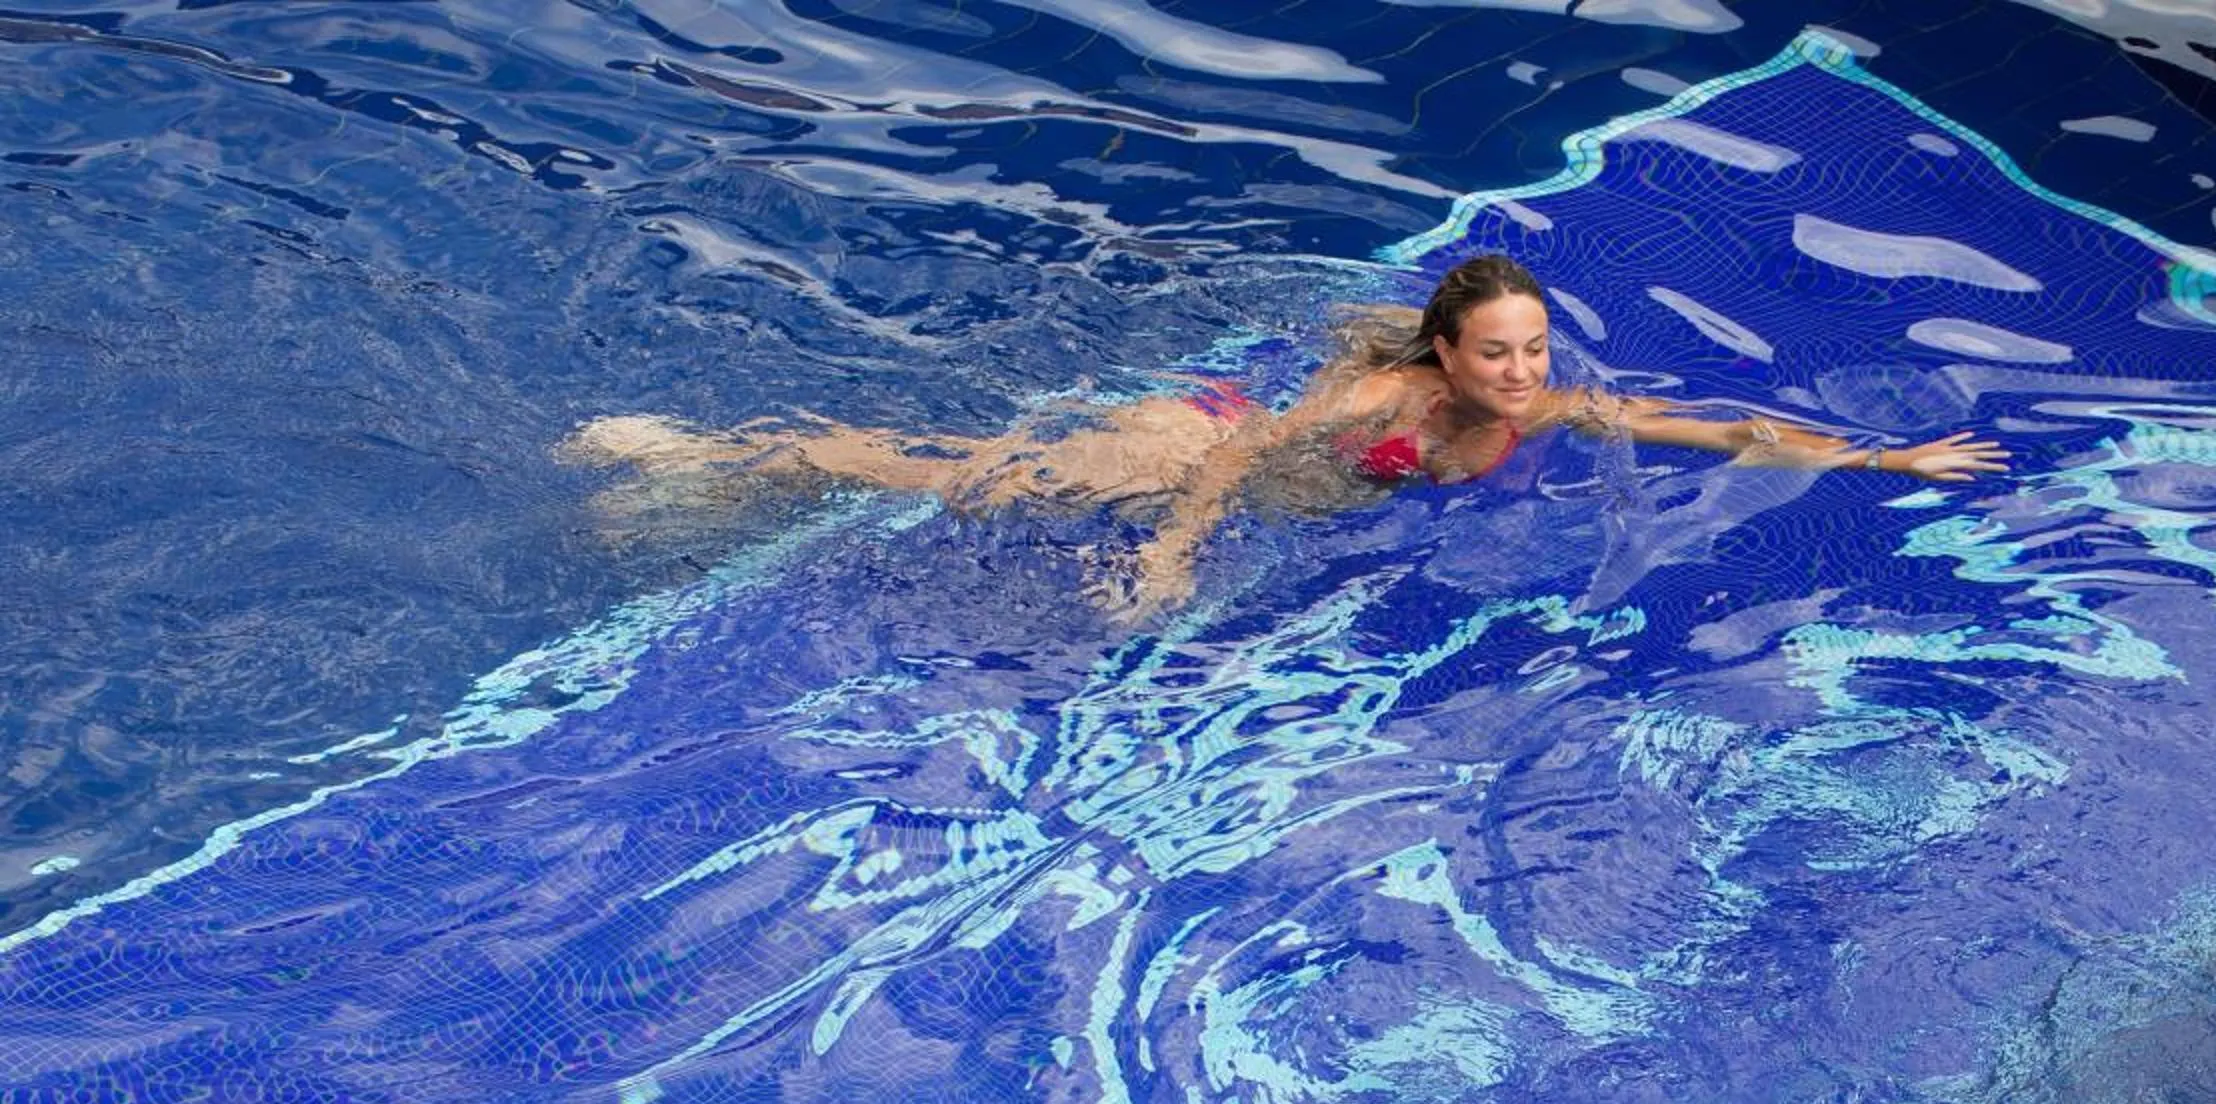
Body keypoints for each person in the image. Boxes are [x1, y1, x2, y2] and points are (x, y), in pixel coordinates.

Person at [560, 253, 2010, 615]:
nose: (1523, 373)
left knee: (969, 489)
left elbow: (1722, 434)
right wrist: (1174, 554)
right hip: (1186, 447)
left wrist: (1889, 463)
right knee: (966, 487)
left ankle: (721, 461)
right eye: (1495, 351)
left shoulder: (1550, 404)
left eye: (1535, 350)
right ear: (1444, 352)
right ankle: (702, 451)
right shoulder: (1386, 399)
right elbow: (1253, 455)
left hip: (1247, 481)